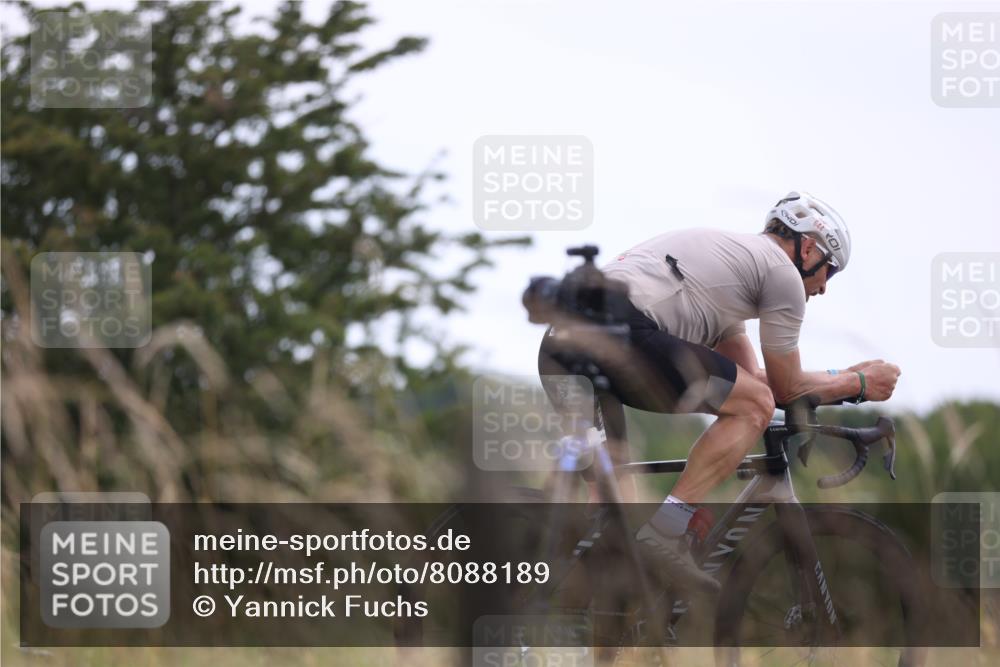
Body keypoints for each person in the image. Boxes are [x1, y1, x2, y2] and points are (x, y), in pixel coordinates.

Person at [536, 191, 901, 592]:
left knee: (612, 521)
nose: (824, 288)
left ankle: (581, 615)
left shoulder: (726, 276)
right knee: (752, 409)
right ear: (809, 248)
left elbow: (755, 382)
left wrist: (839, 378)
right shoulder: (781, 273)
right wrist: (859, 385)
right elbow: (779, 391)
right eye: (828, 273)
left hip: (561, 347)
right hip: (620, 337)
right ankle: (667, 531)